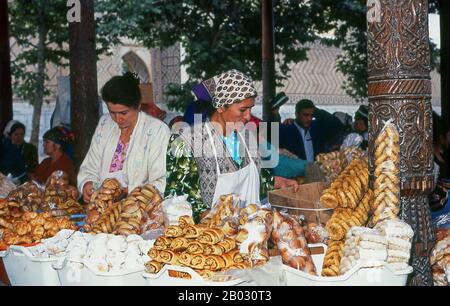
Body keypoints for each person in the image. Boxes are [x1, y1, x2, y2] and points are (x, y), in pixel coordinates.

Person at [166, 69, 297, 221]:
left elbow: (255, 180)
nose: (248, 117)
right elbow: (176, 200)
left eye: (251, 108)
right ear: (221, 107)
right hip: (210, 239)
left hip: (251, 235)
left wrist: (278, 182)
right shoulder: (186, 142)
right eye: (242, 110)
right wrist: (214, 219)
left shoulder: (248, 137)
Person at [77, 72, 171, 203]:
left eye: (123, 113)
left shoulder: (158, 131)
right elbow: (90, 166)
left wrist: (126, 191)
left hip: (141, 213)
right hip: (103, 210)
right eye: (112, 112)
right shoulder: (105, 124)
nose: (118, 119)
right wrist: (87, 184)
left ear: (138, 105)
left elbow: (162, 181)